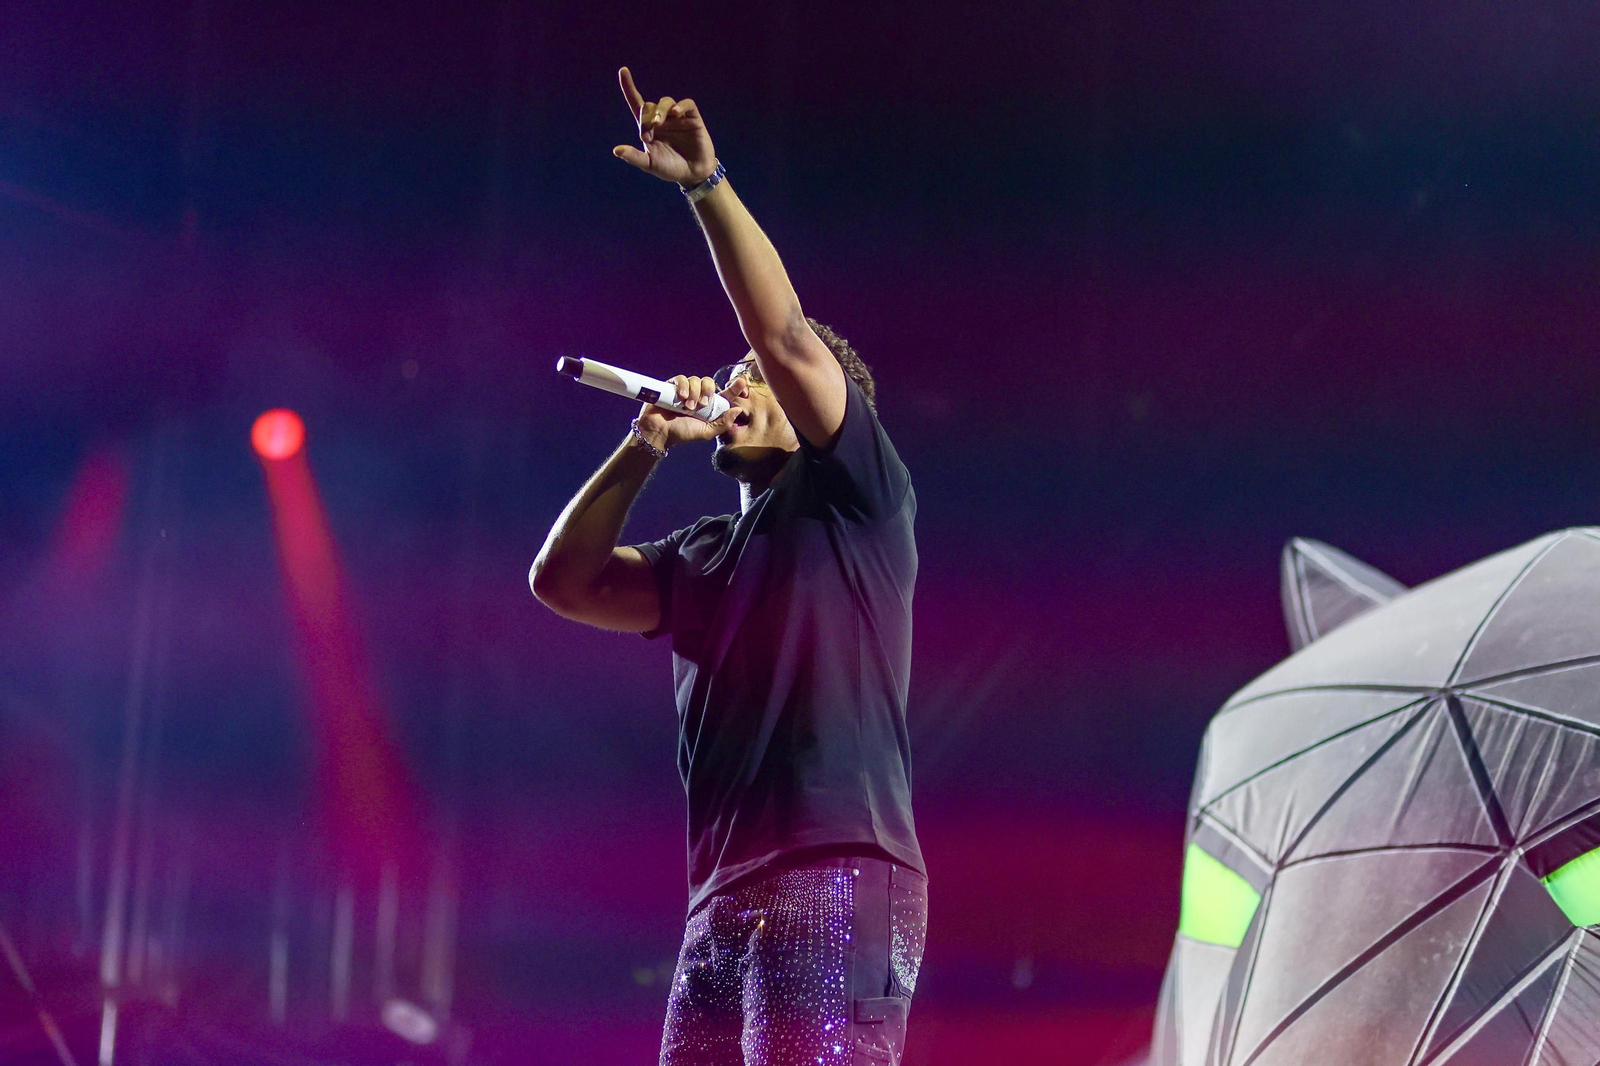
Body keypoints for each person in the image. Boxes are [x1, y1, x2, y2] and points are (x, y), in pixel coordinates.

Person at [530, 67, 927, 1066]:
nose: (737, 385)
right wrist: (644, 445)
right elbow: (562, 582)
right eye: (734, 378)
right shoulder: (700, 555)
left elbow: (782, 331)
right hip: (719, 902)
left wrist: (705, 189)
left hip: (834, 872)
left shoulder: (855, 495)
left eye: (756, 382)